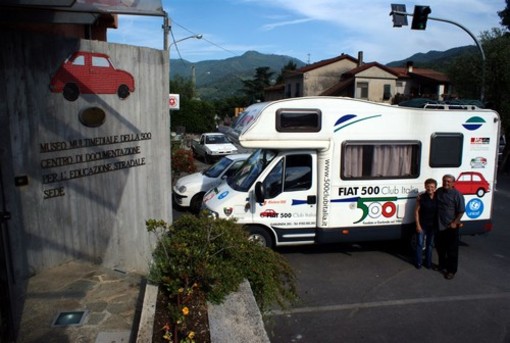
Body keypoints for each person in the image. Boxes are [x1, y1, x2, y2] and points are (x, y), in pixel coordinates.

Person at [435, 174, 465, 280]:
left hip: (451, 227)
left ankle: (451, 271)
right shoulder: (439, 191)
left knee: (452, 250)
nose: (446, 183)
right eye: (444, 181)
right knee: (440, 247)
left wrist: (455, 222)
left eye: (448, 181)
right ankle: (442, 265)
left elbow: (461, 211)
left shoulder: (457, 195)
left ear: (453, 183)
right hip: (439, 225)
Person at [414, 178, 438, 269]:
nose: (430, 188)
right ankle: (418, 262)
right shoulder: (421, 197)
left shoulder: (438, 196)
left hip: (432, 225)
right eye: (428, 186)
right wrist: (418, 225)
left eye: (432, 187)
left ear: (435, 188)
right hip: (422, 225)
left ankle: (428, 263)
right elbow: (416, 211)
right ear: (425, 187)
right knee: (420, 244)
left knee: (430, 245)